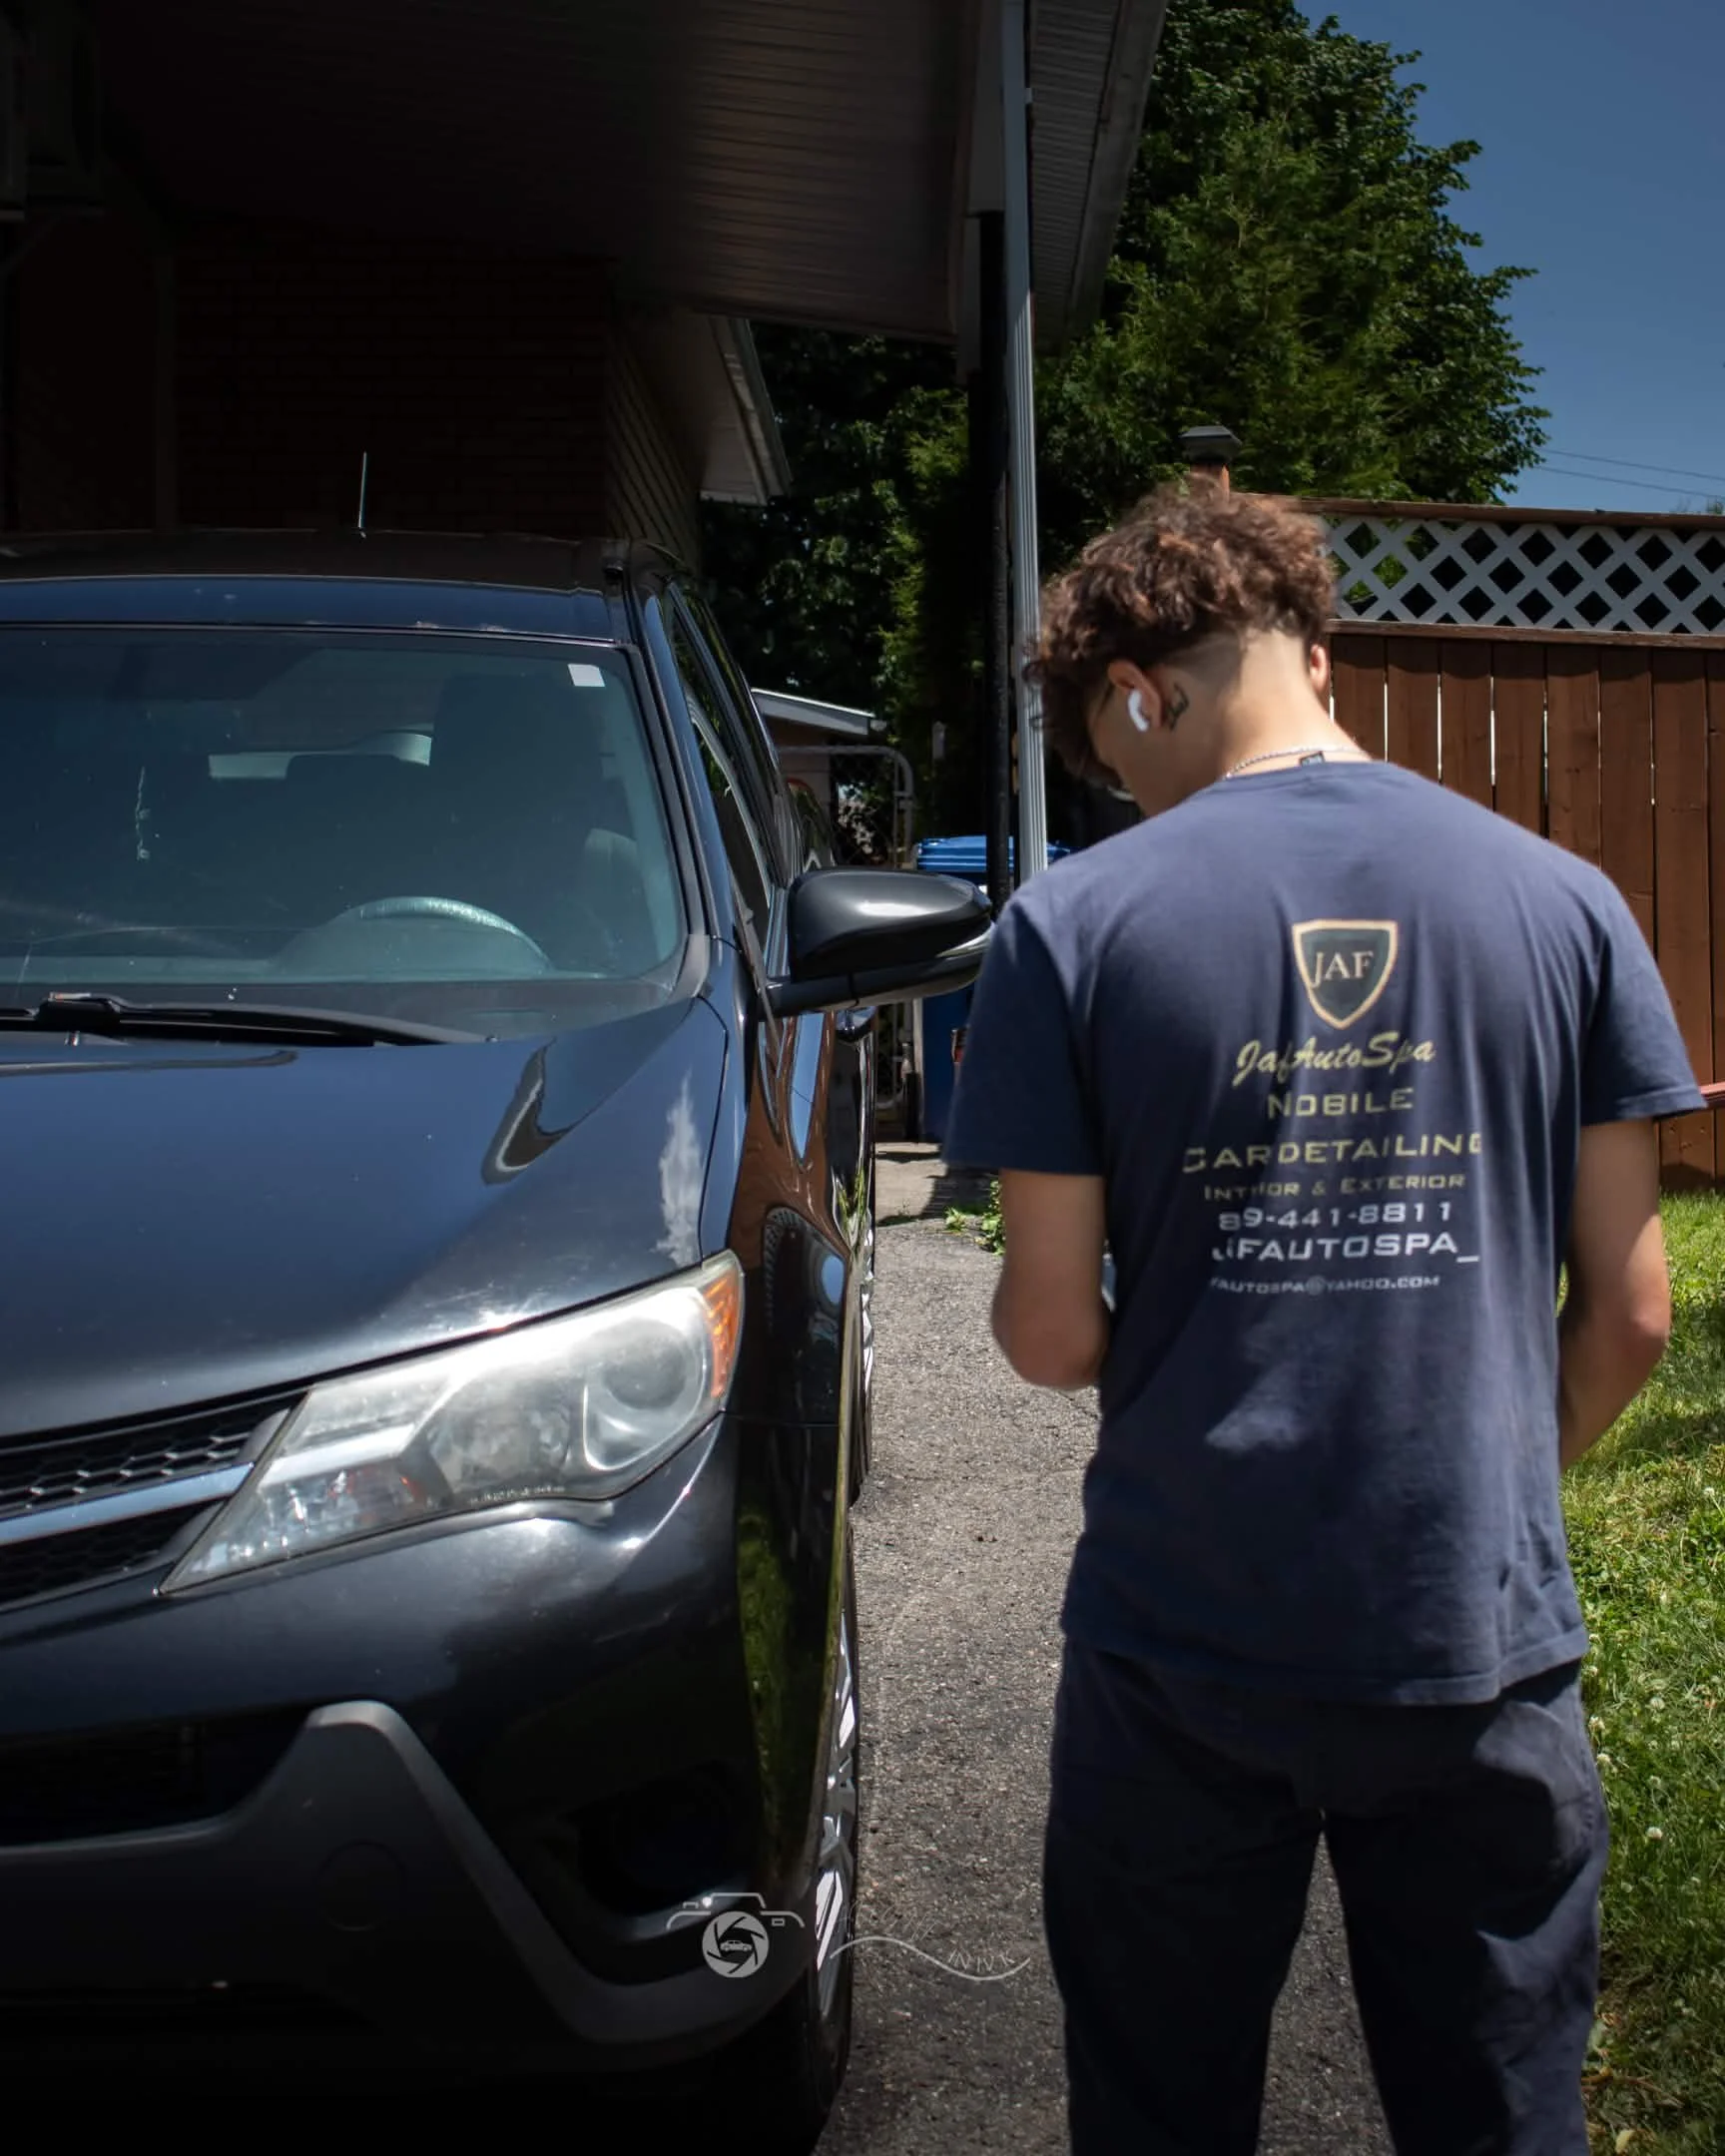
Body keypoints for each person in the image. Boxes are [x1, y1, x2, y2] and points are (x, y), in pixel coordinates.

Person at [942, 485, 1702, 2156]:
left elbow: (1050, 1331)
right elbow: (1635, 1311)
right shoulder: (1567, 902)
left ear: (1139, 689)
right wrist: (1491, 1488)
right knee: (1501, 2114)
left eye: (1104, 749)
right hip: (1477, 1639)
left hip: (1181, 1642)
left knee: (1162, 2107)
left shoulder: (1069, 929)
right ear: (1318, 649)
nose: (1115, 787)